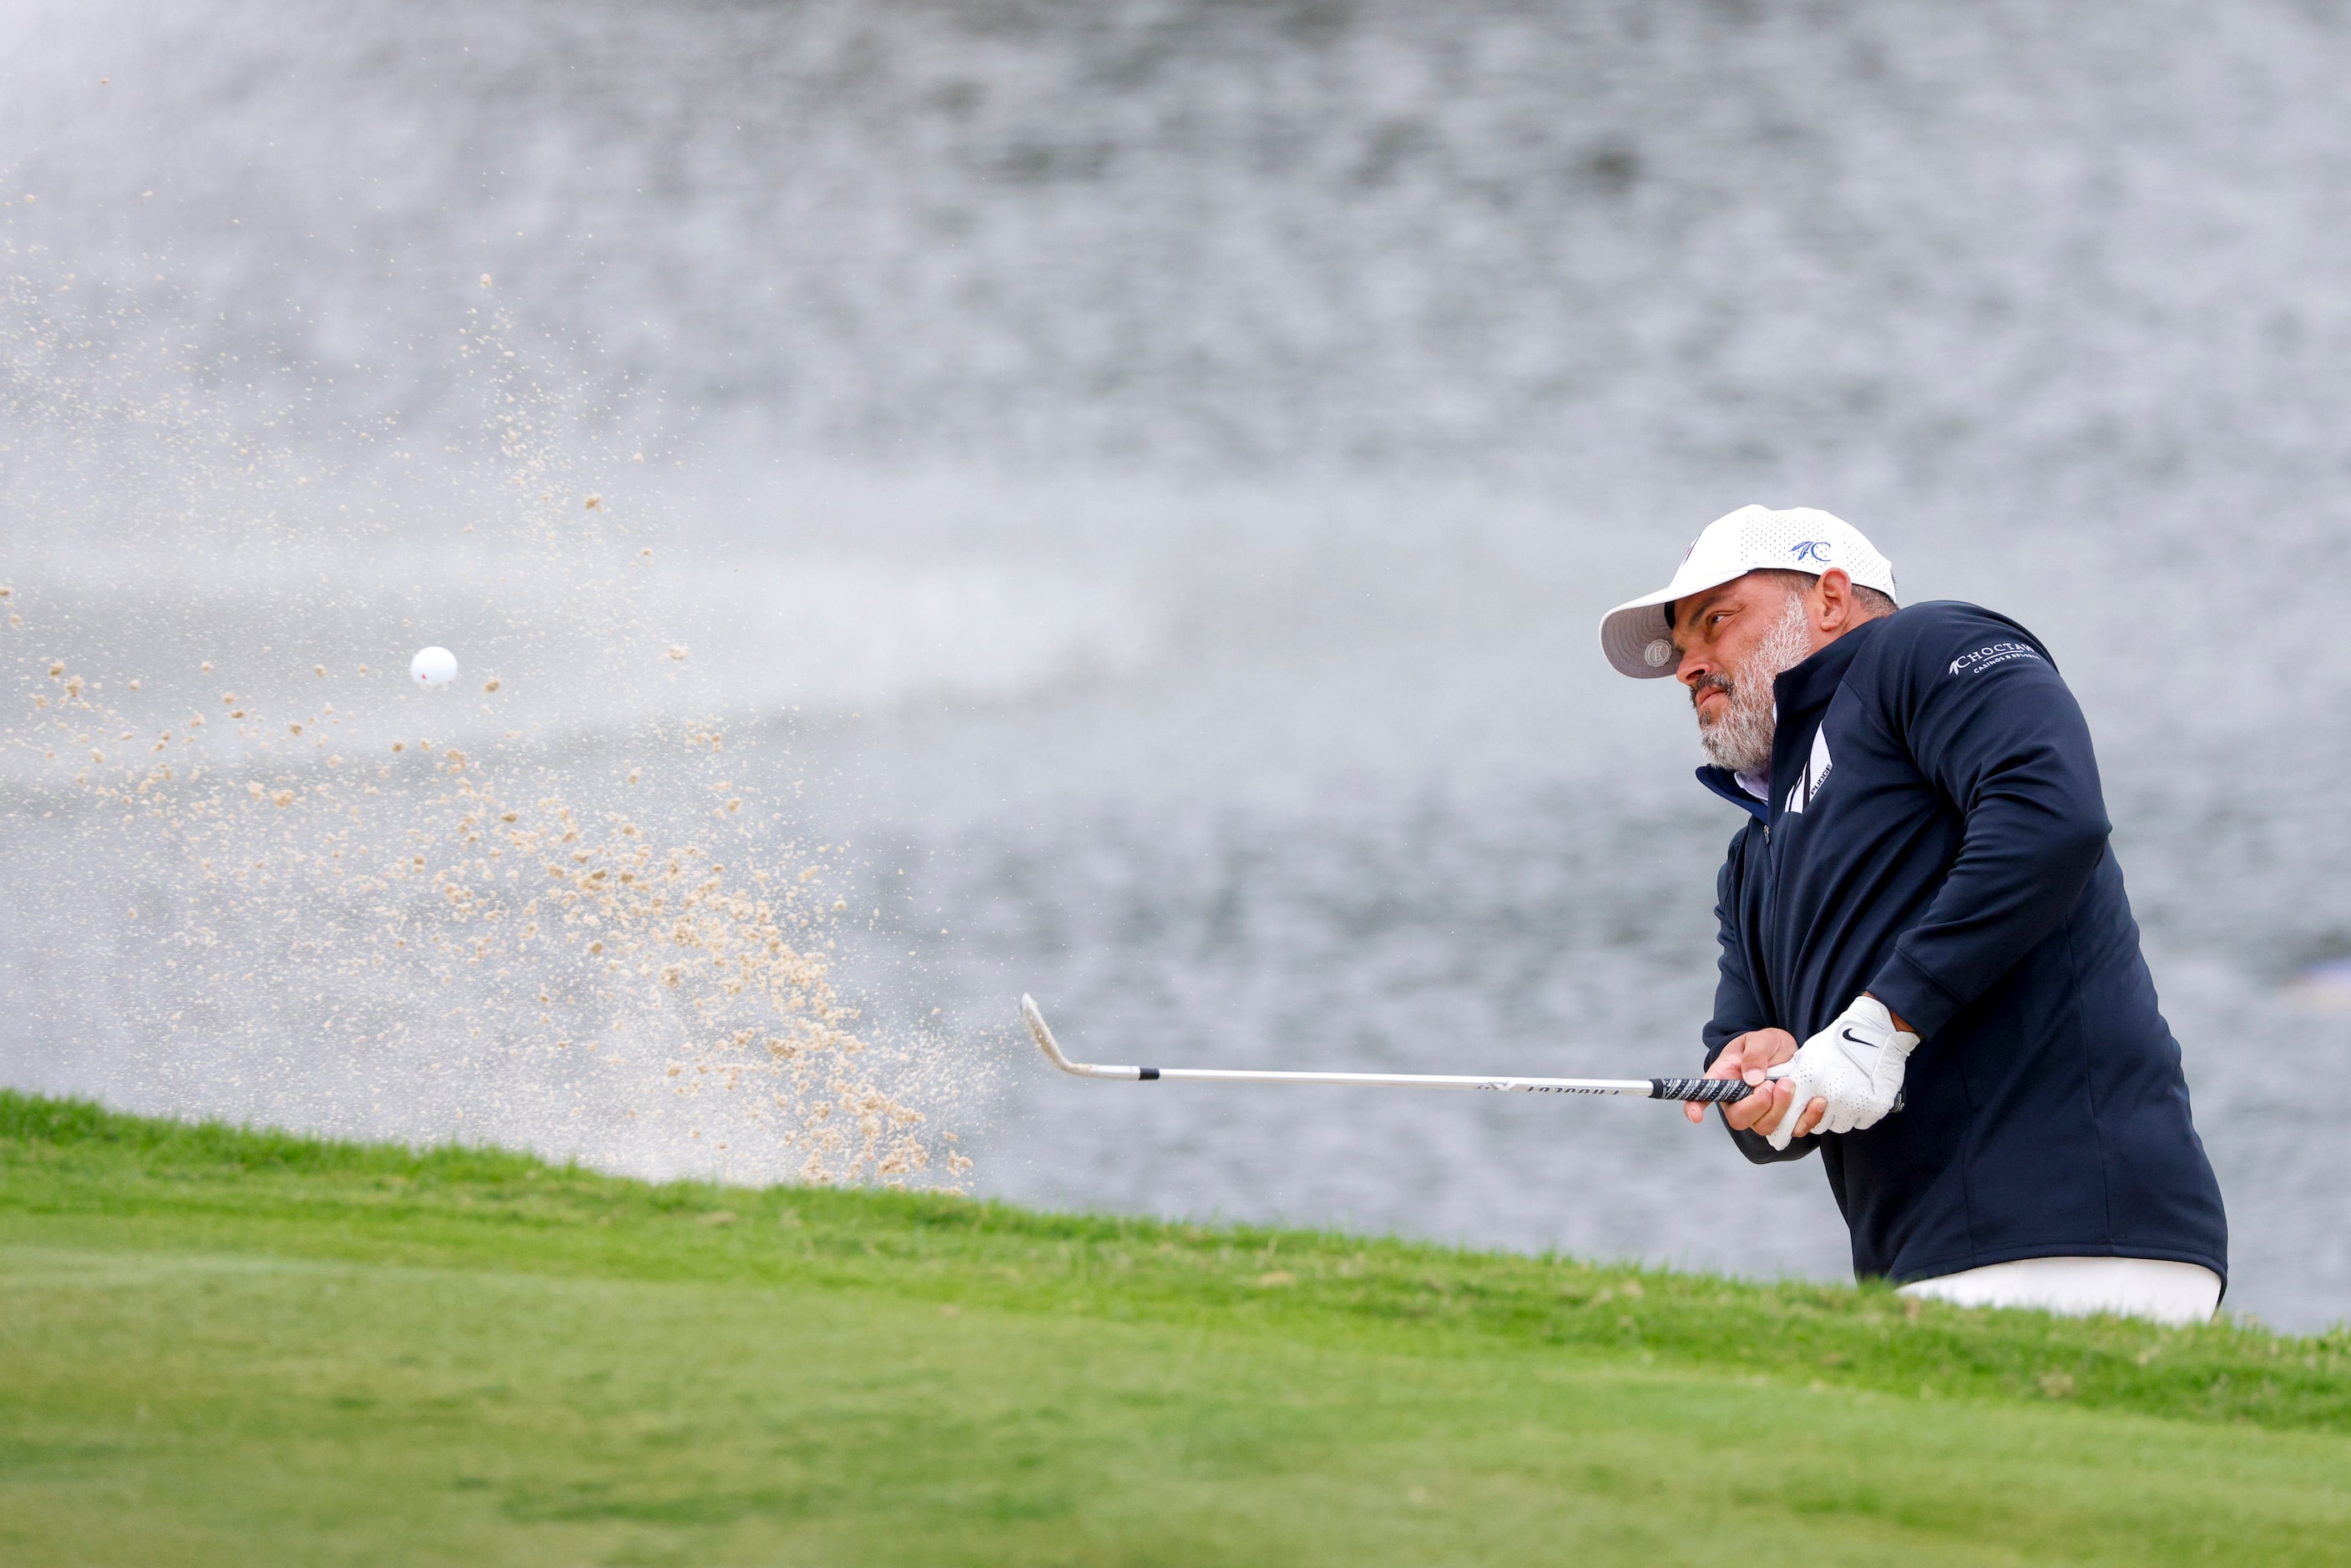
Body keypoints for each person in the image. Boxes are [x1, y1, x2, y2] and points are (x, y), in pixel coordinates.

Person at [1598, 505, 2227, 1324]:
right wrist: (1759, 1077)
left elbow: (2048, 818)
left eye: (1714, 622)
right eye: (1679, 650)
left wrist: (1881, 1023)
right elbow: (1761, 1116)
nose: (1690, 666)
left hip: (2075, 1221)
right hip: (1917, 1260)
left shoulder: (1924, 649)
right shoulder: (1751, 857)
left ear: (1827, 598)